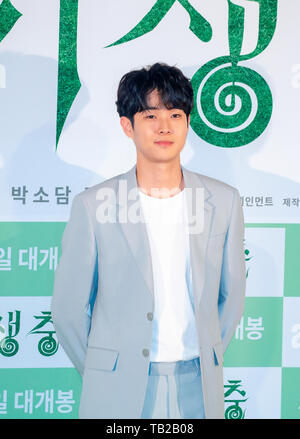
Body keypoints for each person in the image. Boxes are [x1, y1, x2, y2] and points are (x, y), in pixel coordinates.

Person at [51, 62, 246, 419]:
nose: (164, 127)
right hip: (120, 385)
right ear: (128, 126)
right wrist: (104, 371)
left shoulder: (224, 200)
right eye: (150, 116)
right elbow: (67, 311)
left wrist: (207, 353)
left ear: (188, 122)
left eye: (175, 114)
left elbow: (231, 296)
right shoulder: (94, 205)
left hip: (198, 382)